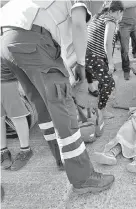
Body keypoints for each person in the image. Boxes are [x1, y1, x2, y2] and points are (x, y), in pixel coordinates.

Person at [1, 0, 114, 194]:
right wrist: (81, 65)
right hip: (30, 35)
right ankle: (83, 177)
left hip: (5, 37)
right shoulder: (83, 2)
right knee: (63, 105)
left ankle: (61, 159)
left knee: (43, 104)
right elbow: (78, 25)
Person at [85, 1, 124, 119]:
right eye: (121, 14)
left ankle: (102, 104)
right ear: (118, 12)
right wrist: (111, 62)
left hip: (87, 54)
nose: (120, 17)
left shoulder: (98, 16)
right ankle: (101, 110)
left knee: (105, 80)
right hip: (94, 56)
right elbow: (107, 43)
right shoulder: (110, 21)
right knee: (109, 83)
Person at [1, 62, 33, 171]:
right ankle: (3, 151)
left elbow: (16, 53)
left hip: (9, 79)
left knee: (17, 116)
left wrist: (21, 80)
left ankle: (25, 150)